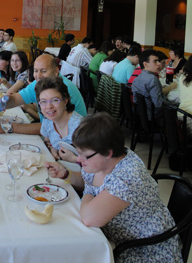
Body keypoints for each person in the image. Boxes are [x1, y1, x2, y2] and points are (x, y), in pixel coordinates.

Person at [45, 112, 183, 263]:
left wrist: (89, 192)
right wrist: (66, 174)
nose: (78, 159)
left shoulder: (126, 176)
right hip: (116, 238)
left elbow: (89, 218)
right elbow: (88, 182)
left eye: (84, 155)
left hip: (144, 252)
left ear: (107, 153)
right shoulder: (104, 161)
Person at [0, 54, 86, 135]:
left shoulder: (63, 89)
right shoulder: (39, 84)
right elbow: (15, 99)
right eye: (35, 71)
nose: (38, 76)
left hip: (73, 142)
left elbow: (51, 127)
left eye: (43, 71)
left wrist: (9, 126)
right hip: (51, 138)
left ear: (56, 71)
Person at [36, 77, 82, 162]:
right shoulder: (47, 121)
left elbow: (98, 163)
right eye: (43, 101)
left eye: (54, 100)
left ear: (65, 101)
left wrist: (74, 159)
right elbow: (47, 142)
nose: (49, 106)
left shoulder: (79, 126)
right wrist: (53, 149)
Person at [131, 50, 164, 122]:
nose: (159, 64)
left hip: (140, 112)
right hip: (151, 115)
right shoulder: (153, 79)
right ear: (145, 64)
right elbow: (158, 104)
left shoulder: (138, 77)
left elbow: (135, 100)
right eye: (155, 61)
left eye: (158, 61)